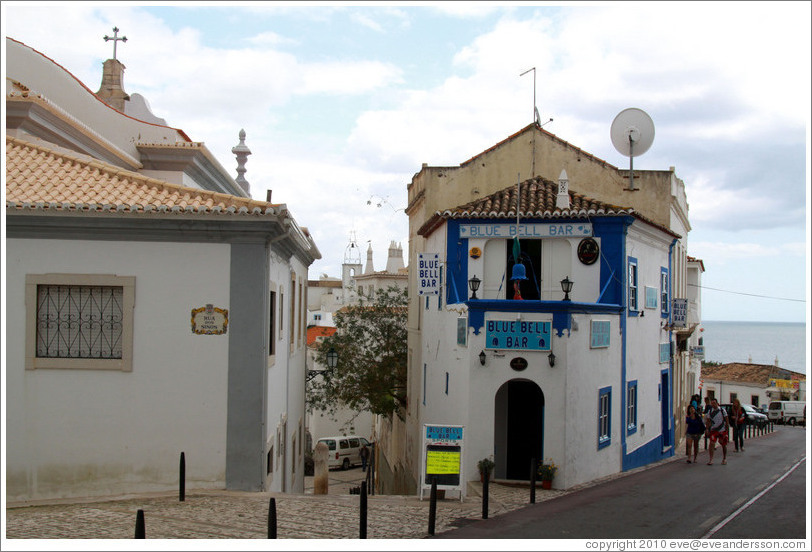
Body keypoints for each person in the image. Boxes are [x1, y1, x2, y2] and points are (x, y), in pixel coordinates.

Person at [705, 398, 729, 465]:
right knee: (712, 443)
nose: (713, 405)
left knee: (723, 444)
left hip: (722, 430)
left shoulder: (722, 410)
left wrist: (727, 430)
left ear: (717, 403)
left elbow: (726, 419)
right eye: (712, 403)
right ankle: (711, 459)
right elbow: (708, 421)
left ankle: (724, 458)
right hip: (714, 430)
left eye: (714, 403)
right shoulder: (710, 411)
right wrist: (707, 429)